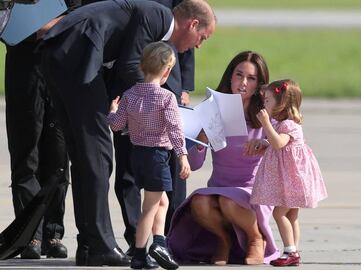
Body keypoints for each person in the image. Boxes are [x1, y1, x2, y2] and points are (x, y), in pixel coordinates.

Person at [39, 0, 215, 266]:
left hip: (61, 55)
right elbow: (131, 66)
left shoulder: (155, 21)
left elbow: (123, 66)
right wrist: (159, 105)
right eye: (202, 37)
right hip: (75, 55)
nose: (199, 45)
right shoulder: (158, 16)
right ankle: (100, 245)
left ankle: (88, 244)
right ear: (192, 24)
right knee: (98, 155)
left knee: (84, 154)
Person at [167, 51, 279, 265]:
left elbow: (285, 147)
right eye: (239, 75)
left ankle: (256, 239)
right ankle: (224, 240)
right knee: (199, 202)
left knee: (229, 201)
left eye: (251, 78)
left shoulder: (266, 115)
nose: (243, 82)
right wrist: (201, 139)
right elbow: (194, 164)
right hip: (218, 187)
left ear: (260, 84)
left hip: (252, 190)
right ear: (230, 77)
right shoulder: (214, 109)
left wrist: (265, 143)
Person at [1, 0, 92, 260]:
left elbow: (83, 15)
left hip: (60, 64)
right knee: (25, 152)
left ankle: (52, 233)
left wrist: (51, 26)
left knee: (58, 155)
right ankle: (29, 235)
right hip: (23, 65)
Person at [112, 0, 197, 254]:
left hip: (138, 152)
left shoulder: (128, 95)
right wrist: (182, 155)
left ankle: (159, 242)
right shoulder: (166, 98)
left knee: (159, 200)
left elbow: (116, 126)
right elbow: (174, 129)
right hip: (158, 155)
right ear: (167, 70)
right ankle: (141, 250)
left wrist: (112, 113)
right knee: (152, 204)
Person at [250, 79, 328, 267]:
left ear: (281, 103)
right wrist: (265, 143)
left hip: (292, 178)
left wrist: (265, 124)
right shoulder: (282, 124)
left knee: (279, 213)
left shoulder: (288, 125)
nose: (264, 104)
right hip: (291, 177)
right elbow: (278, 144)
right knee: (292, 215)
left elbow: (279, 143)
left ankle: (290, 250)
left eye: (268, 100)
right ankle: (293, 251)